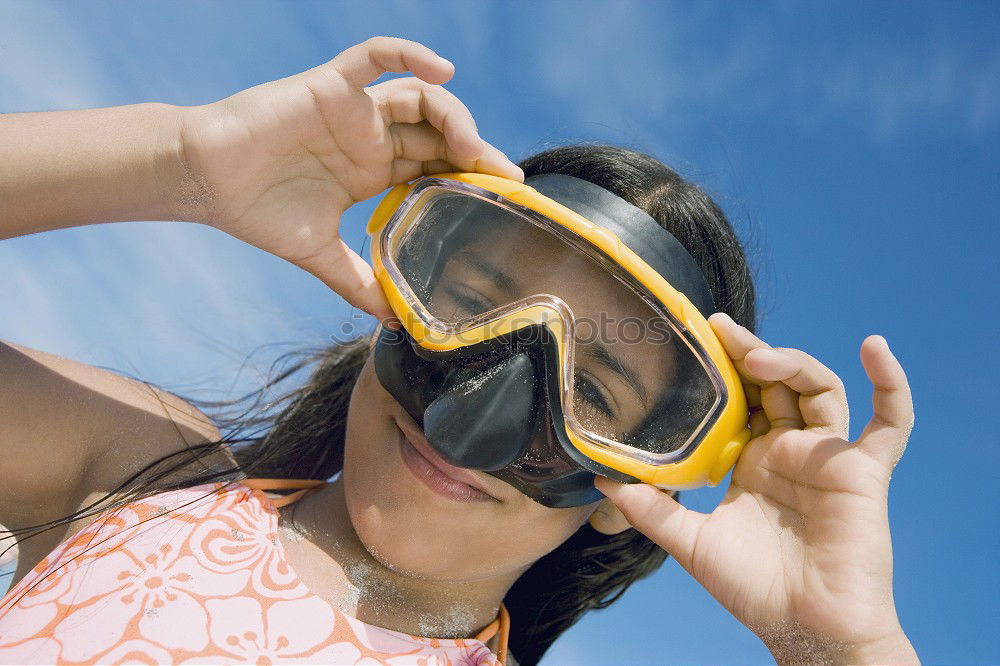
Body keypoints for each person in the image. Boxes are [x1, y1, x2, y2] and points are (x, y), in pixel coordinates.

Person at [0, 37, 918, 665]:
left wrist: (841, 648)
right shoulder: (153, 477)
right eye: (470, 304)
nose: (477, 409)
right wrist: (182, 162)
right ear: (391, 299)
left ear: (640, 486)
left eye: (593, 392)